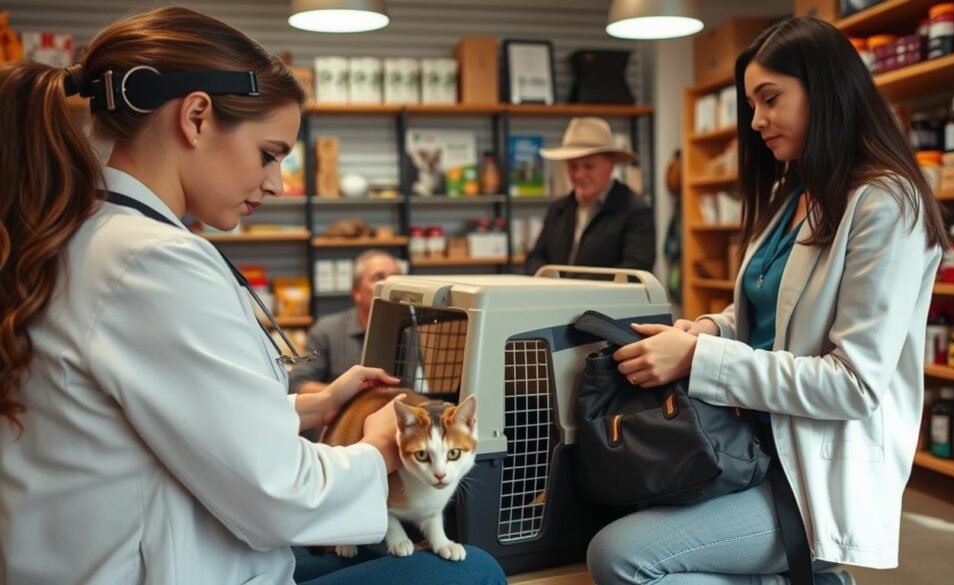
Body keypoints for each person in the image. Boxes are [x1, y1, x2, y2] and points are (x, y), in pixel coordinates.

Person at [0, 7, 504, 585]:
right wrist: (381, 446)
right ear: (195, 117)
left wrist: (303, 409)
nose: (276, 183)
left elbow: (163, 417)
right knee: (476, 572)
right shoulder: (152, 262)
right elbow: (278, 498)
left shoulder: (86, 236)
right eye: (270, 153)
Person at [587, 17, 949, 585]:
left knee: (621, 557)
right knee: (617, 515)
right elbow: (768, 313)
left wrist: (695, 360)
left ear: (824, 90)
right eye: (751, 103)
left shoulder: (885, 205)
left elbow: (853, 383)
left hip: (812, 473)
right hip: (749, 443)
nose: (756, 121)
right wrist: (707, 329)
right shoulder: (797, 192)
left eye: (770, 98)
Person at [524, 117, 655, 275]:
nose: (579, 174)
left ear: (611, 165)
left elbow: (636, 269)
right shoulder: (558, 209)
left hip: (610, 300)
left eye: (589, 166)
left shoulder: (635, 211)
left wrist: (577, 288)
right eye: (573, 166)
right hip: (558, 299)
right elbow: (535, 257)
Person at [290, 250, 403, 396]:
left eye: (396, 278)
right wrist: (347, 391)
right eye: (378, 277)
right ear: (356, 292)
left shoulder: (413, 330)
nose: (389, 285)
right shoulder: (326, 331)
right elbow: (297, 384)